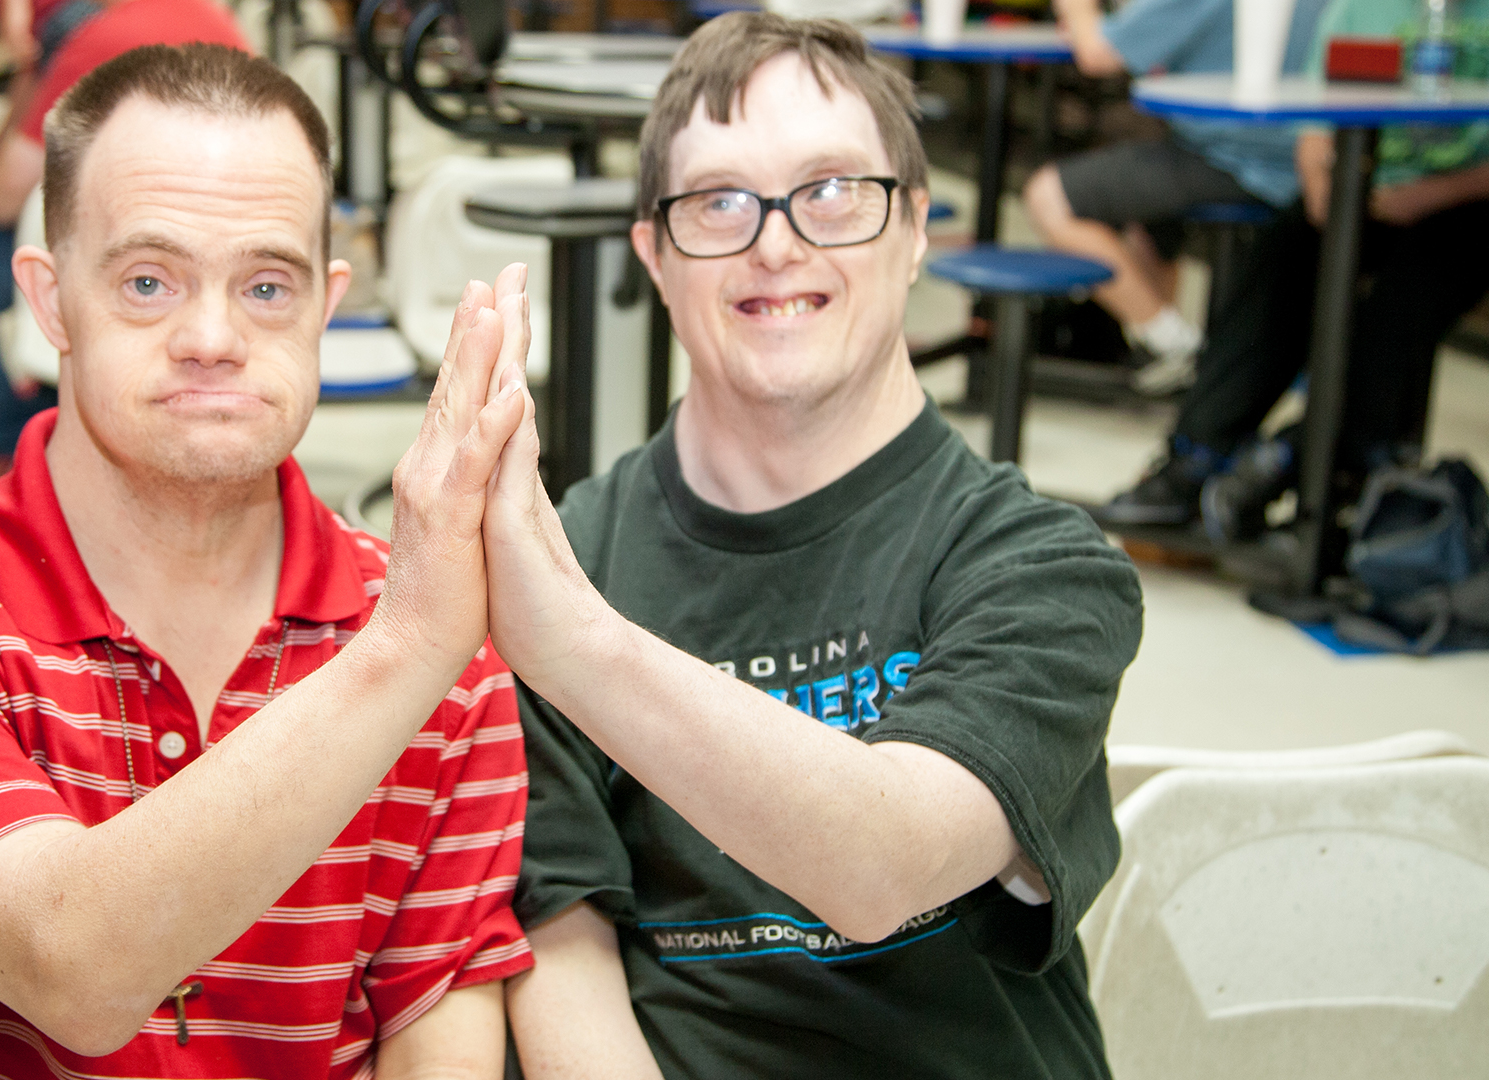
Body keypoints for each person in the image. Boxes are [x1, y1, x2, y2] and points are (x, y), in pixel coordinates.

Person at [0, 43, 533, 1078]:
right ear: (49, 301)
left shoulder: (442, 651)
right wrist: (406, 649)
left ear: (328, 302)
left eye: (268, 285)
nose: (213, 336)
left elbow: (436, 1017)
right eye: (148, 280)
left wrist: (419, 638)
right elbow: (73, 969)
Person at [478, 14, 1144, 1080]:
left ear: (917, 227)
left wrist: (570, 640)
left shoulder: (1042, 568)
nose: (776, 242)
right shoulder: (576, 557)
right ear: (654, 252)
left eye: (832, 189)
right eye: (719, 201)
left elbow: (885, 867)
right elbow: (558, 946)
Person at [1095, 0, 1489, 535]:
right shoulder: (1355, 8)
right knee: (1275, 270)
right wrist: (1324, 186)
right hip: (1366, 183)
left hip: (1463, 202)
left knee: (1397, 309)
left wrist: (1421, 198)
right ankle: (1197, 452)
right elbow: (1313, 121)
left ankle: (1302, 463)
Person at [0, 0, 250, 494]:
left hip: (135, 256)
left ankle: (3, 447)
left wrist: (31, 74)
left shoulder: (94, 42)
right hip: (220, 248)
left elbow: (0, 199)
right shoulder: (208, 17)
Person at [1027, 0, 1332, 394]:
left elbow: (1098, 53)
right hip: (1306, 156)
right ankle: (1156, 348)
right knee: (1143, 182)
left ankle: (1176, 346)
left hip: (1241, 156)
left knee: (1047, 196)